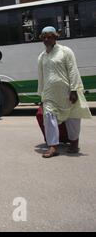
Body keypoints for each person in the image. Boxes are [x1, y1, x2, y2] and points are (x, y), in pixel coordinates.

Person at [38, 26, 92, 158]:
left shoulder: (65, 51)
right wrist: (42, 94)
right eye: (44, 37)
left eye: (49, 36)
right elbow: (41, 76)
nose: (46, 39)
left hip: (67, 91)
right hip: (50, 94)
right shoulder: (42, 56)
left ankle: (74, 143)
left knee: (72, 118)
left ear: (55, 37)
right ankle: (53, 146)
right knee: (49, 117)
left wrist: (74, 90)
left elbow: (73, 70)